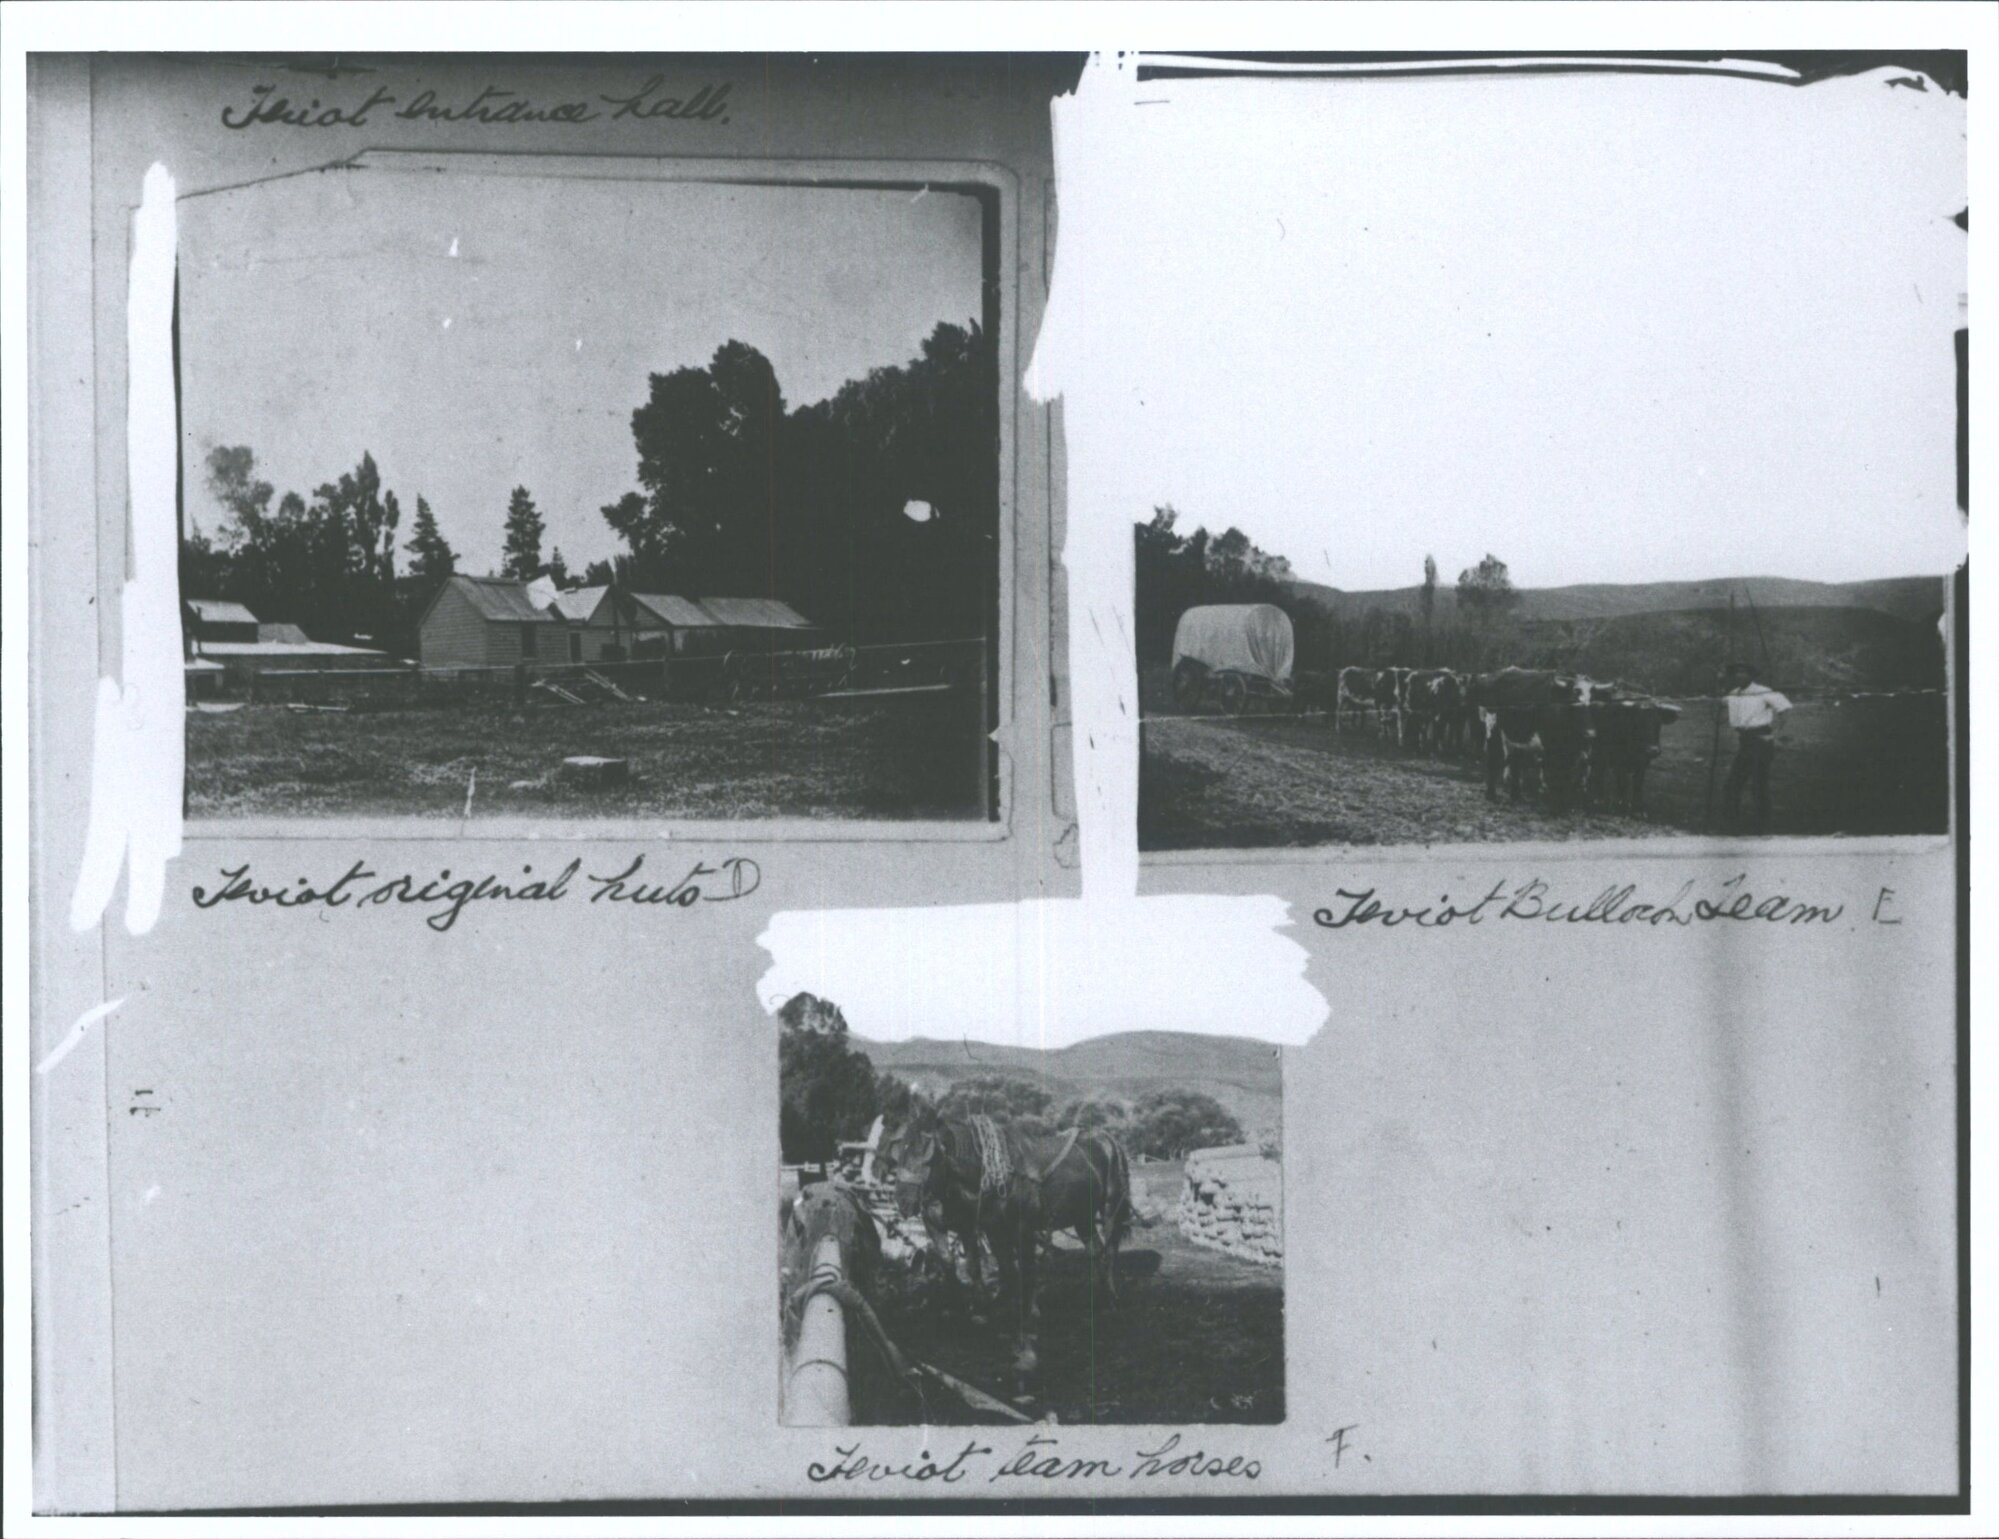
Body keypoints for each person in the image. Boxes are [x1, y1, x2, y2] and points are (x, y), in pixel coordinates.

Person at [1721, 662, 1792, 832]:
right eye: (1737, 673)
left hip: (1761, 739)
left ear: (1752, 676)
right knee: (1733, 783)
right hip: (1745, 740)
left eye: (1744, 672)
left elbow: (1784, 709)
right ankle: (1731, 822)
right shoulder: (1734, 694)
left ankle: (1763, 823)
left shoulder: (1764, 691)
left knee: (1759, 784)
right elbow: (1721, 702)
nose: (1739, 676)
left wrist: (1776, 733)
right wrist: (1719, 682)